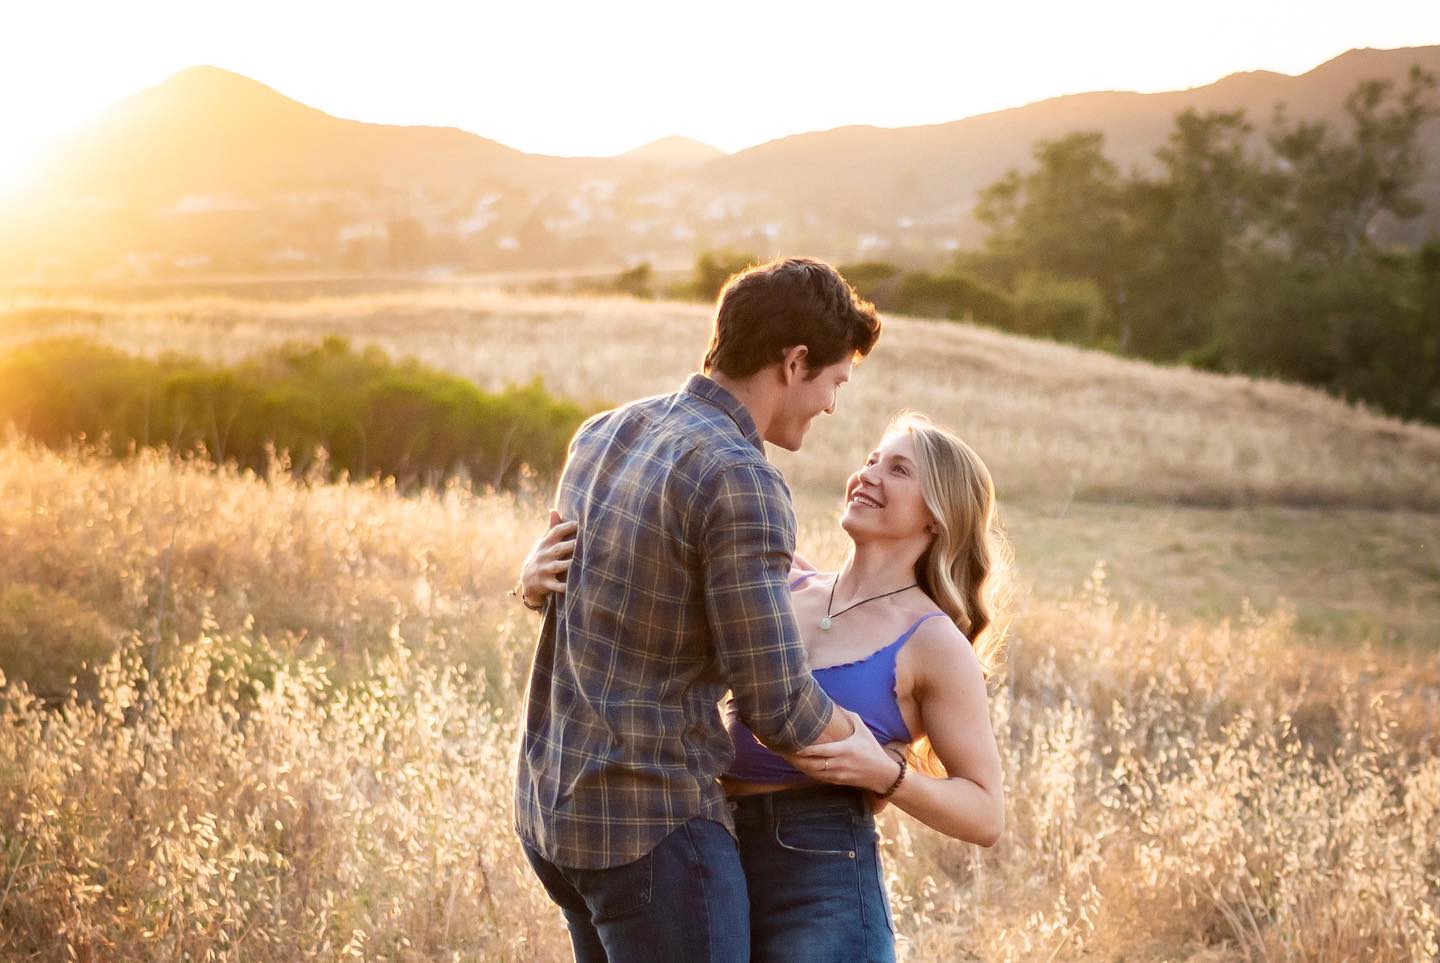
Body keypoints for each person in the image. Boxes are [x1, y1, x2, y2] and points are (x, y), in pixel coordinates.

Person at [521, 412, 1009, 962]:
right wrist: (538, 586)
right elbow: (637, 622)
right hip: (710, 849)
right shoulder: (782, 582)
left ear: (938, 518)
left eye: (898, 470)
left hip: (821, 882)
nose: (867, 474)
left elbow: (985, 813)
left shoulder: (932, 639)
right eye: (872, 460)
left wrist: (887, 775)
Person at [512, 257, 882, 963]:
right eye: (835, 381)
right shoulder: (741, 478)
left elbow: (591, 602)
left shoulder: (604, 432)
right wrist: (873, 749)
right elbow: (777, 704)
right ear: (795, 361)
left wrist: (528, 585)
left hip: (553, 813)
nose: (833, 404)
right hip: (652, 833)